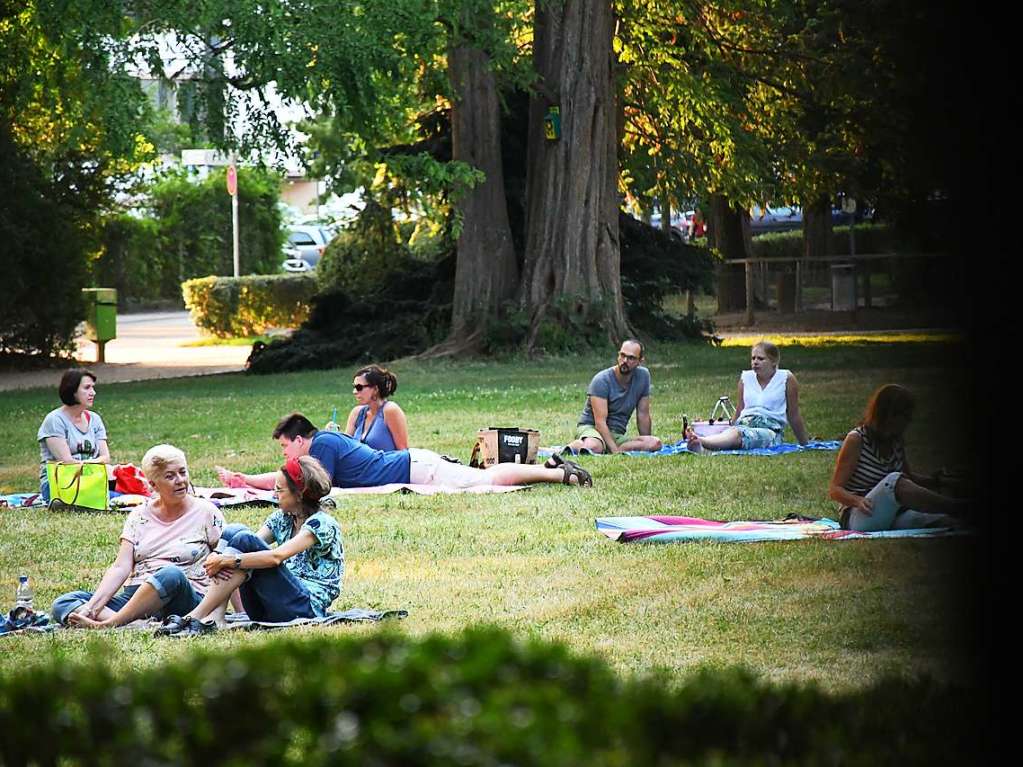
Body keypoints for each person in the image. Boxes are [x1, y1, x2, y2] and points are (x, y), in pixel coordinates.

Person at [156, 455, 344, 636]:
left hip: (303, 608)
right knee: (235, 531)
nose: (274, 494)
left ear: (299, 494)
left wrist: (229, 560)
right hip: (266, 607)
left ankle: (196, 615)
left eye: (279, 490)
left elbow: (275, 557)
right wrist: (221, 557)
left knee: (243, 540)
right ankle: (216, 615)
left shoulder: (322, 524)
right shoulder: (283, 518)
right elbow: (242, 542)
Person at [51, 445, 224, 628]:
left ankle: (109, 623)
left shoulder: (206, 512)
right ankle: (137, 624)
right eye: (170, 476)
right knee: (65, 602)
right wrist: (91, 608)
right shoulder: (139, 515)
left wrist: (240, 613)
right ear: (153, 485)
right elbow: (121, 567)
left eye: (183, 472)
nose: (180, 480)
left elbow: (226, 561)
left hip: (183, 596)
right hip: (137, 597)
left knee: (171, 574)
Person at [217, 412, 593, 490]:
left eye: (285, 447)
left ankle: (559, 473)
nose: (286, 455)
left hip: (419, 469)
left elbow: (302, 484)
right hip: (416, 466)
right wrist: (245, 481)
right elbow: (288, 478)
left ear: (300, 440)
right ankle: (552, 467)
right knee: (487, 479)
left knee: (489, 479)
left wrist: (245, 480)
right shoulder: (324, 444)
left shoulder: (323, 446)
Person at [828, 384, 967, 531]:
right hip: (859, 515)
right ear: (889, 415)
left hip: (891, 515)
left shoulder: (896, 441)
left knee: (942, 521)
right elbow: (835, 489)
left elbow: (909, 479)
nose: (909, 421)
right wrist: (857, 501)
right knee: (894, 480)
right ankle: (957, 506)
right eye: (905, 416)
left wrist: (941, 482)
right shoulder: (857, 439)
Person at [686, 341, 809, 452]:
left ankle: (701, 441)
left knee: (740, 435)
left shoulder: (786, 378)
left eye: (761, 359)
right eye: (753, 358)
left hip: (770, 430)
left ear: (774, 362)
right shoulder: (746, 378)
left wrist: (805, 444)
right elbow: (740, 409)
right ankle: (702, 445)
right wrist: (729, 426)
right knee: (734, 432)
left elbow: (794, 414)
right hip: (743, 424)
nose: (755, 362)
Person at [564, 339, 663, 455]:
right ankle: (580, 447)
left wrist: (646, 443)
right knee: (594, 446)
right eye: (622, 355)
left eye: (631, 358)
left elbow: (643, 414)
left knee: (655, 443)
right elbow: (600, 422)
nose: (625, 361)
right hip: (592, 428)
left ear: (640, 361)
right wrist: (615, 451)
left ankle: (598, 448)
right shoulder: (601, 380)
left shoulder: (643, 376)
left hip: (616, 434)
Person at [37, 369, 111, 501]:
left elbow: (105, 457)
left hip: (91, 478)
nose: (93, 393)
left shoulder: (95, 419)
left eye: (93, 388)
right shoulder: (55, 420)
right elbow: (67, 463)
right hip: (60, 483)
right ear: (73, 391)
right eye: (87, 388)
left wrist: (89, 465)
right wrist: (93, 465)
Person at [344, 364, 408, 451]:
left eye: (359, 387)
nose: (354, 392)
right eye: (354, 387)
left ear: (375, 389)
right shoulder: (357, 413)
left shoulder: (390, 410)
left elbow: (403, 453)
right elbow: (345, 448)